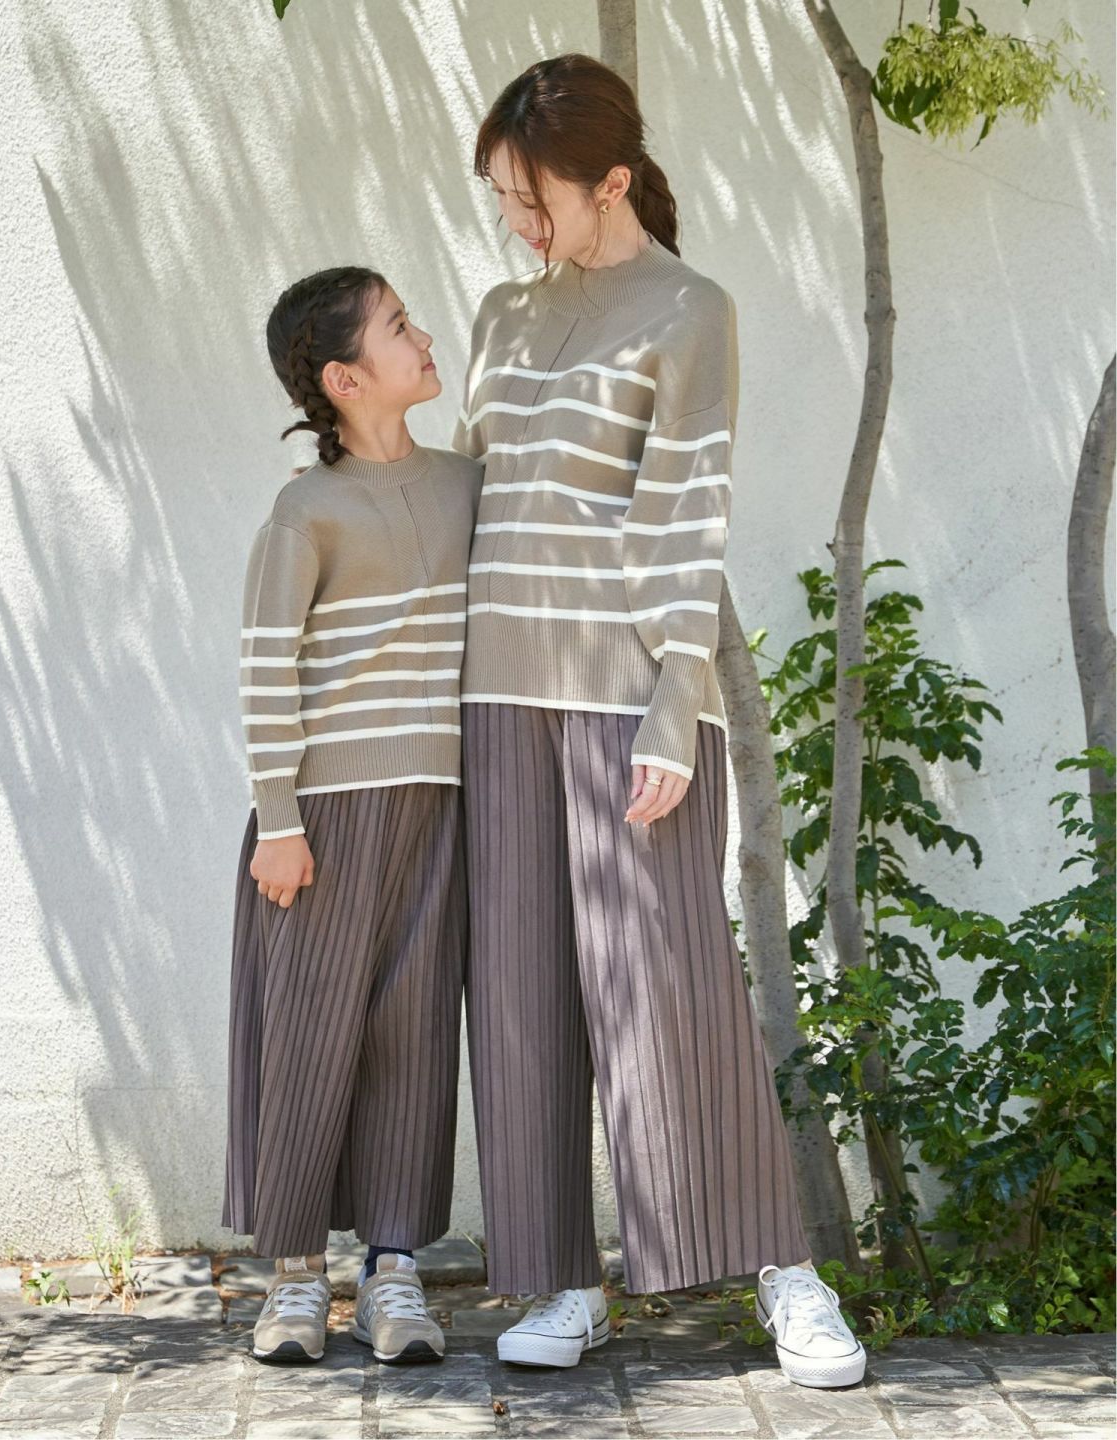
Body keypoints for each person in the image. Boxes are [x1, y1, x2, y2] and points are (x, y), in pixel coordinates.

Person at [452, 54, 866, 1389]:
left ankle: (786, 1276)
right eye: (501, 197)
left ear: (611, 183)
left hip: (625, 696)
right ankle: (562, 1283)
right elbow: (476, 498)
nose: (516, 221)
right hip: (497, 695)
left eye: (533, 198)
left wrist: (676, 705)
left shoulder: (691, 310)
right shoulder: (502, 315)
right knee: (522, 998)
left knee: (670, 989)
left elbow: (688, 514)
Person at [221, 265, 482, 1366]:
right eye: (398, 327)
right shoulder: (306, 511)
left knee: (413, 1037)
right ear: (345, 378)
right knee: (306, 1036)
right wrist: (277, 817)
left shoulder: (469, 485)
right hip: (319, 820)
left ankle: (393, 1269)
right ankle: (293, 1275)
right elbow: (265, 668)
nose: (423, 338)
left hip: (438, 805)